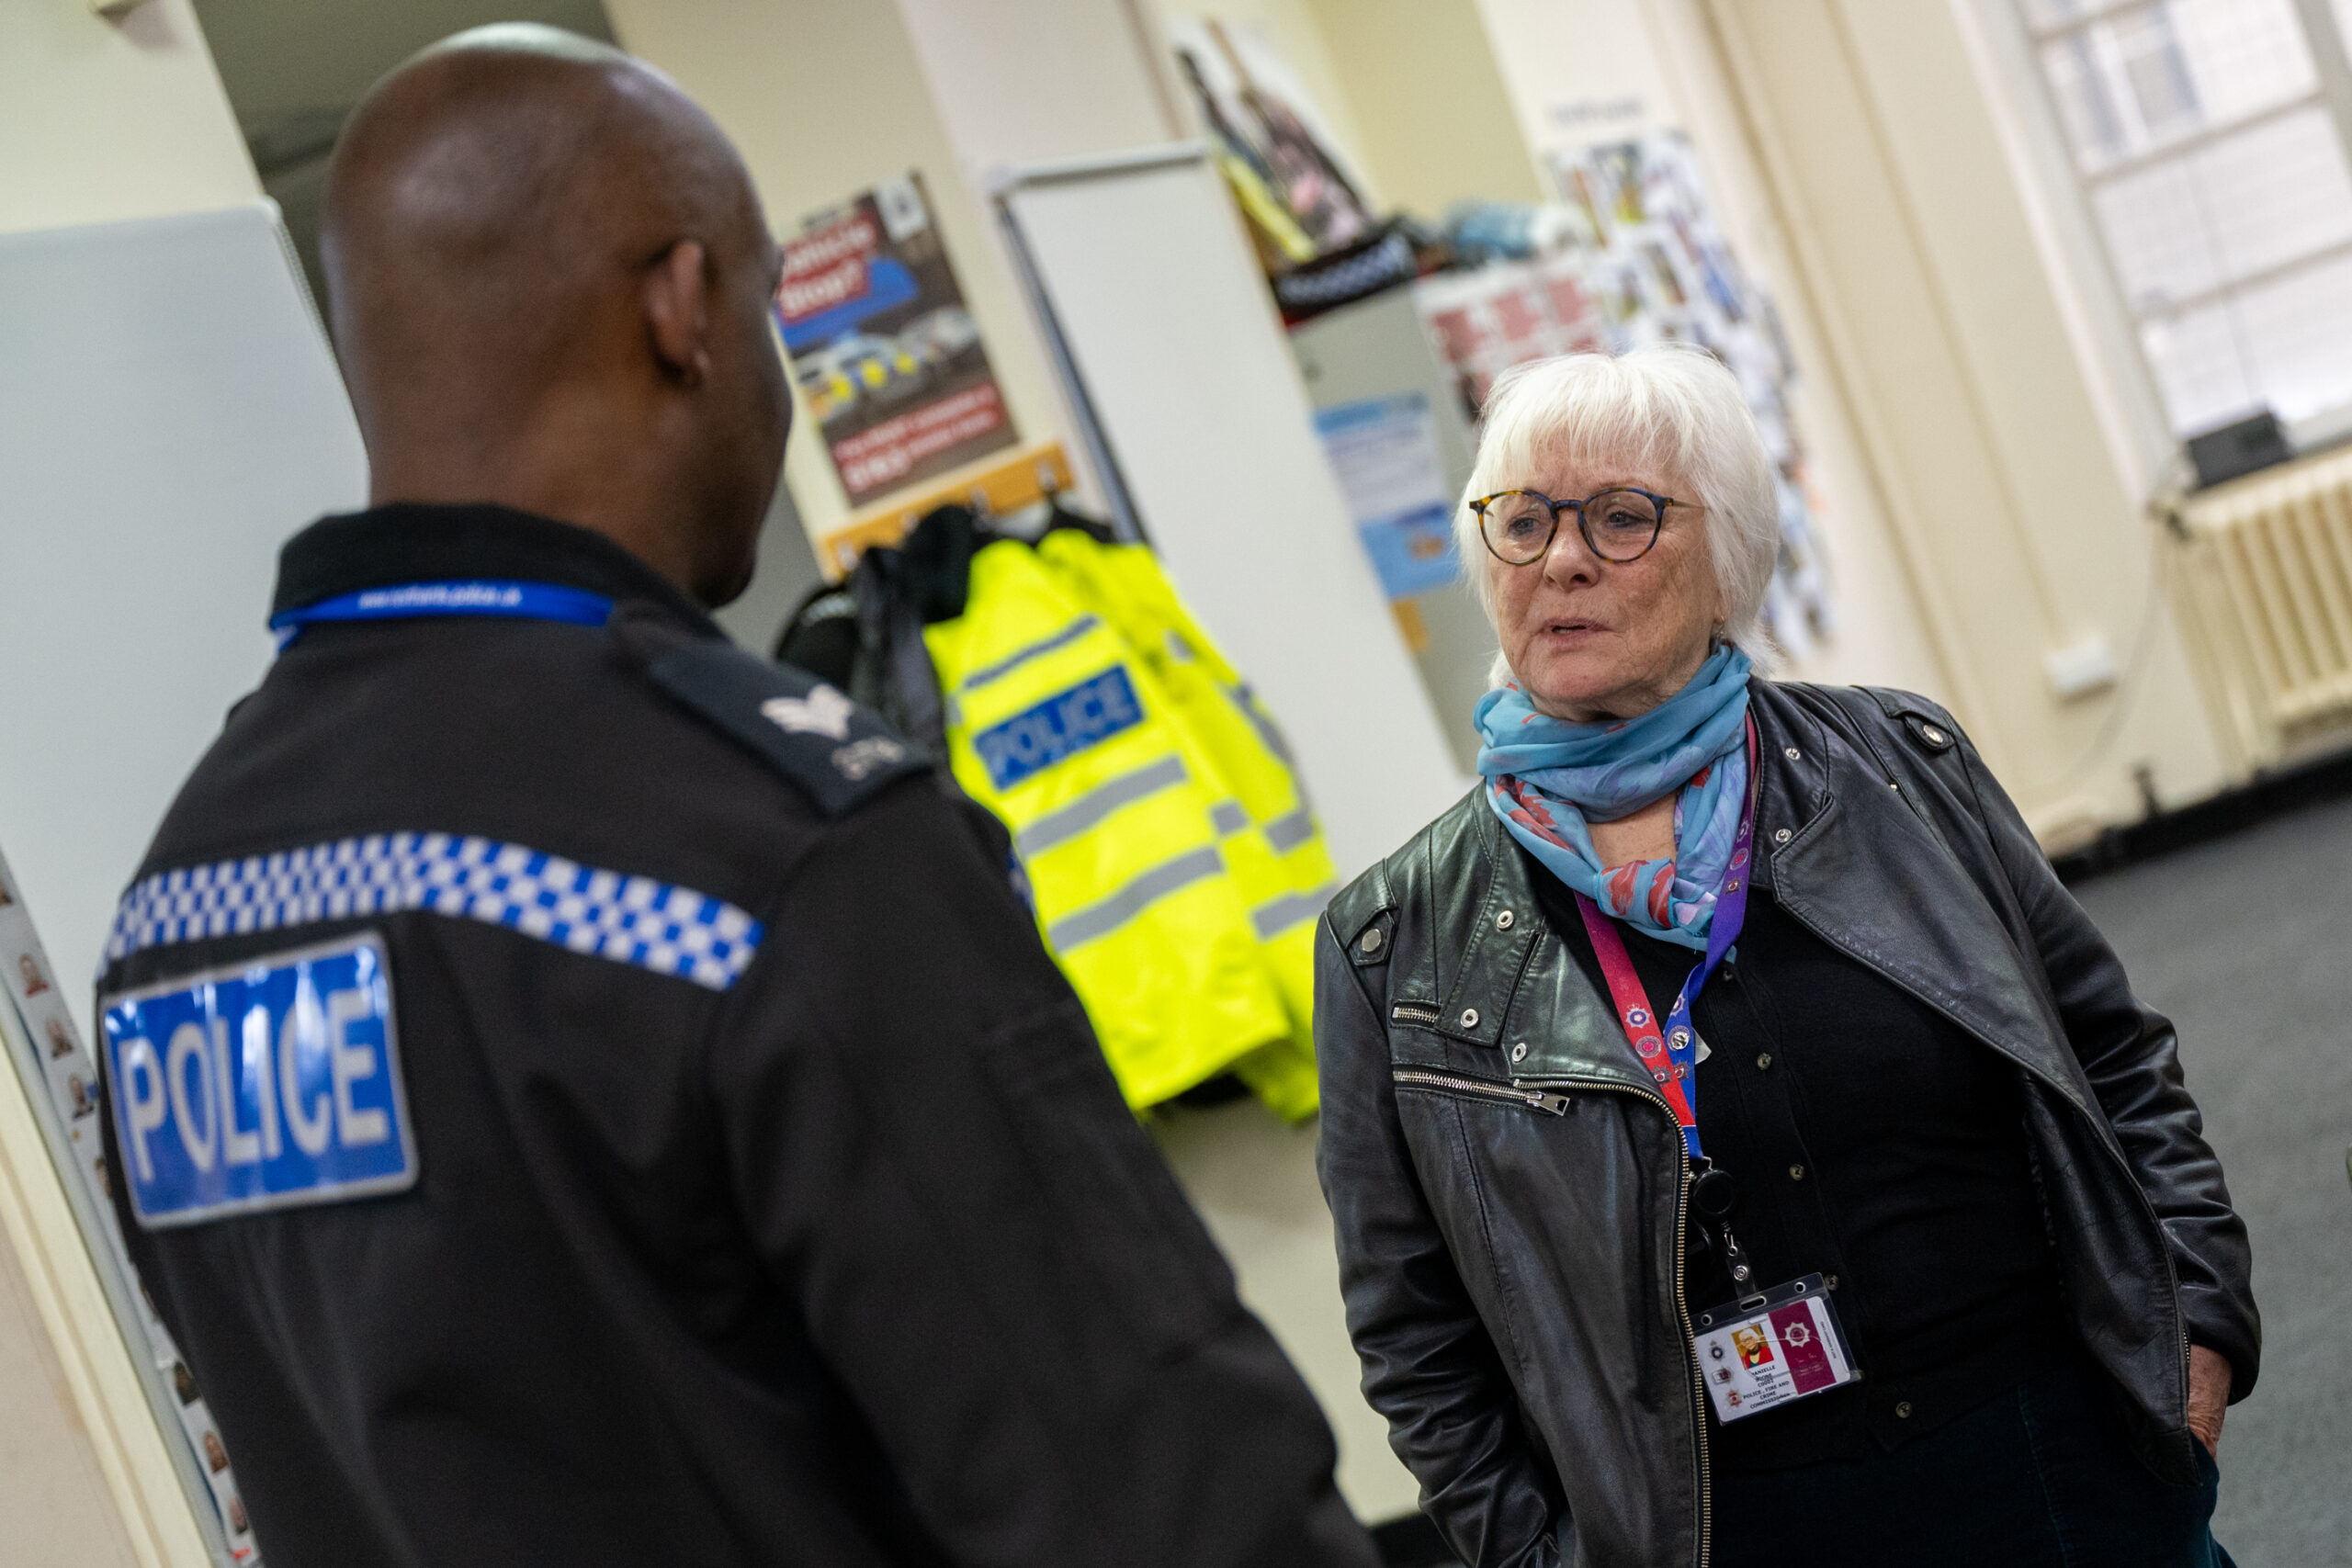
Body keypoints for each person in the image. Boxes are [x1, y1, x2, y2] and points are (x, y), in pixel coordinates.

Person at [94, 27, 1374, 1568]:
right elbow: (1167, 1502)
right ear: (684, 308)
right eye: (770, 303)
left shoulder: (174, 916)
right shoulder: (766, 845)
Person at [1315, 344, 2256, 1568]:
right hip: (1733, 1529)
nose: (1562, 559)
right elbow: (1415, 1335)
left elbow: (2112, 1063)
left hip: (2053, 1454)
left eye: (1620, 516)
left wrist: (2196, 1348)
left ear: (1728, 561)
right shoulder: (1398, 945)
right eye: (1523, 520)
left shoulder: (1901, 769)